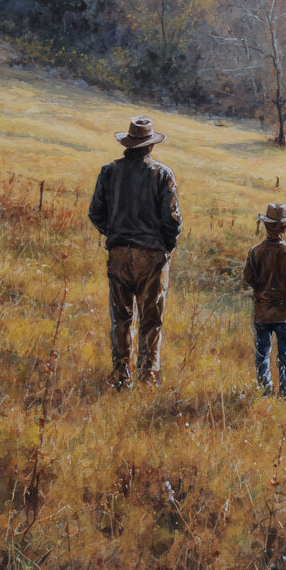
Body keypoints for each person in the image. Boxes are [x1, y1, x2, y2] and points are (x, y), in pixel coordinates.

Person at [88, 116, 182, 388]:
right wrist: (165, 246)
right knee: (151, 319)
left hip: (118, 254)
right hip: (151, 255)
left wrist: (116, 234)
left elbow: (96, 212)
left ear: (128, 143)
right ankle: (147, 376)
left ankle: (120, 376)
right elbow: (173, 220)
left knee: (121, 317)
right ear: (150, 146)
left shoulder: (109, 171)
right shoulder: (162, 174)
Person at [243, 203, 286, 396]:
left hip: (262, 312)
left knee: (263, 353)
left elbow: (248, 277)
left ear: (266, 226)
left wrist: (261, 290)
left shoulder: (255, 251)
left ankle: (264, 389)